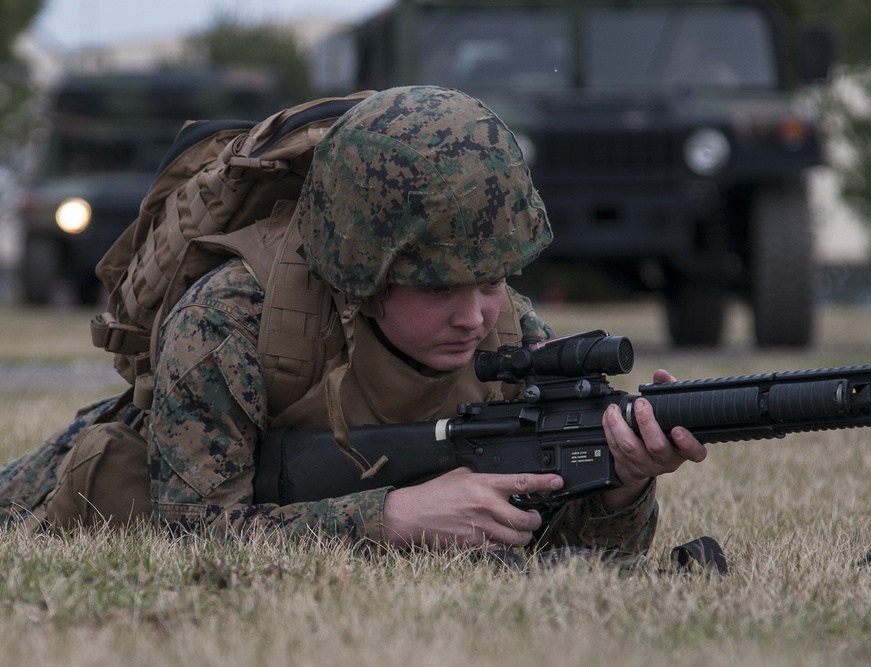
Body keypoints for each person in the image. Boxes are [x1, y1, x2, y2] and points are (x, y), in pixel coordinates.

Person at [0, 86, 706, 556]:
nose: (476, 315)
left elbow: (576, 554)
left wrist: (624, 481)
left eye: (493, 279)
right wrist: (393, 519)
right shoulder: (228, 320)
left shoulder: (513, 335)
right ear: (359, 273)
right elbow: (194, 536)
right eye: (437, 286)